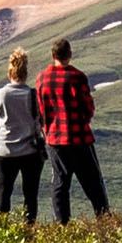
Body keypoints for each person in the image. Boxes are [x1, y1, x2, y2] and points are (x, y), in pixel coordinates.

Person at [35, 37, 110, 224]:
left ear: (53, 55)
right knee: (93, 183)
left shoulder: (42, 79)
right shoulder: (77, 77)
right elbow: (88, 108)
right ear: (70, 54)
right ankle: (104, 221)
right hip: (79, 138)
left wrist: (47, 129)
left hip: (55, 139)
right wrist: (83, 120)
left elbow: (41, 111)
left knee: (60, 183)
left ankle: (63, 225)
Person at [0, 46, 45, 224]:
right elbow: (40, 120)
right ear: (25, 73)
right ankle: (29, 231)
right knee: (30, 195)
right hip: (30, 152)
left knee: (4, 193)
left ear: (9, 72)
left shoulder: (1, 95)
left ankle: (1, 231)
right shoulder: (33, 95)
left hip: (6, 152)